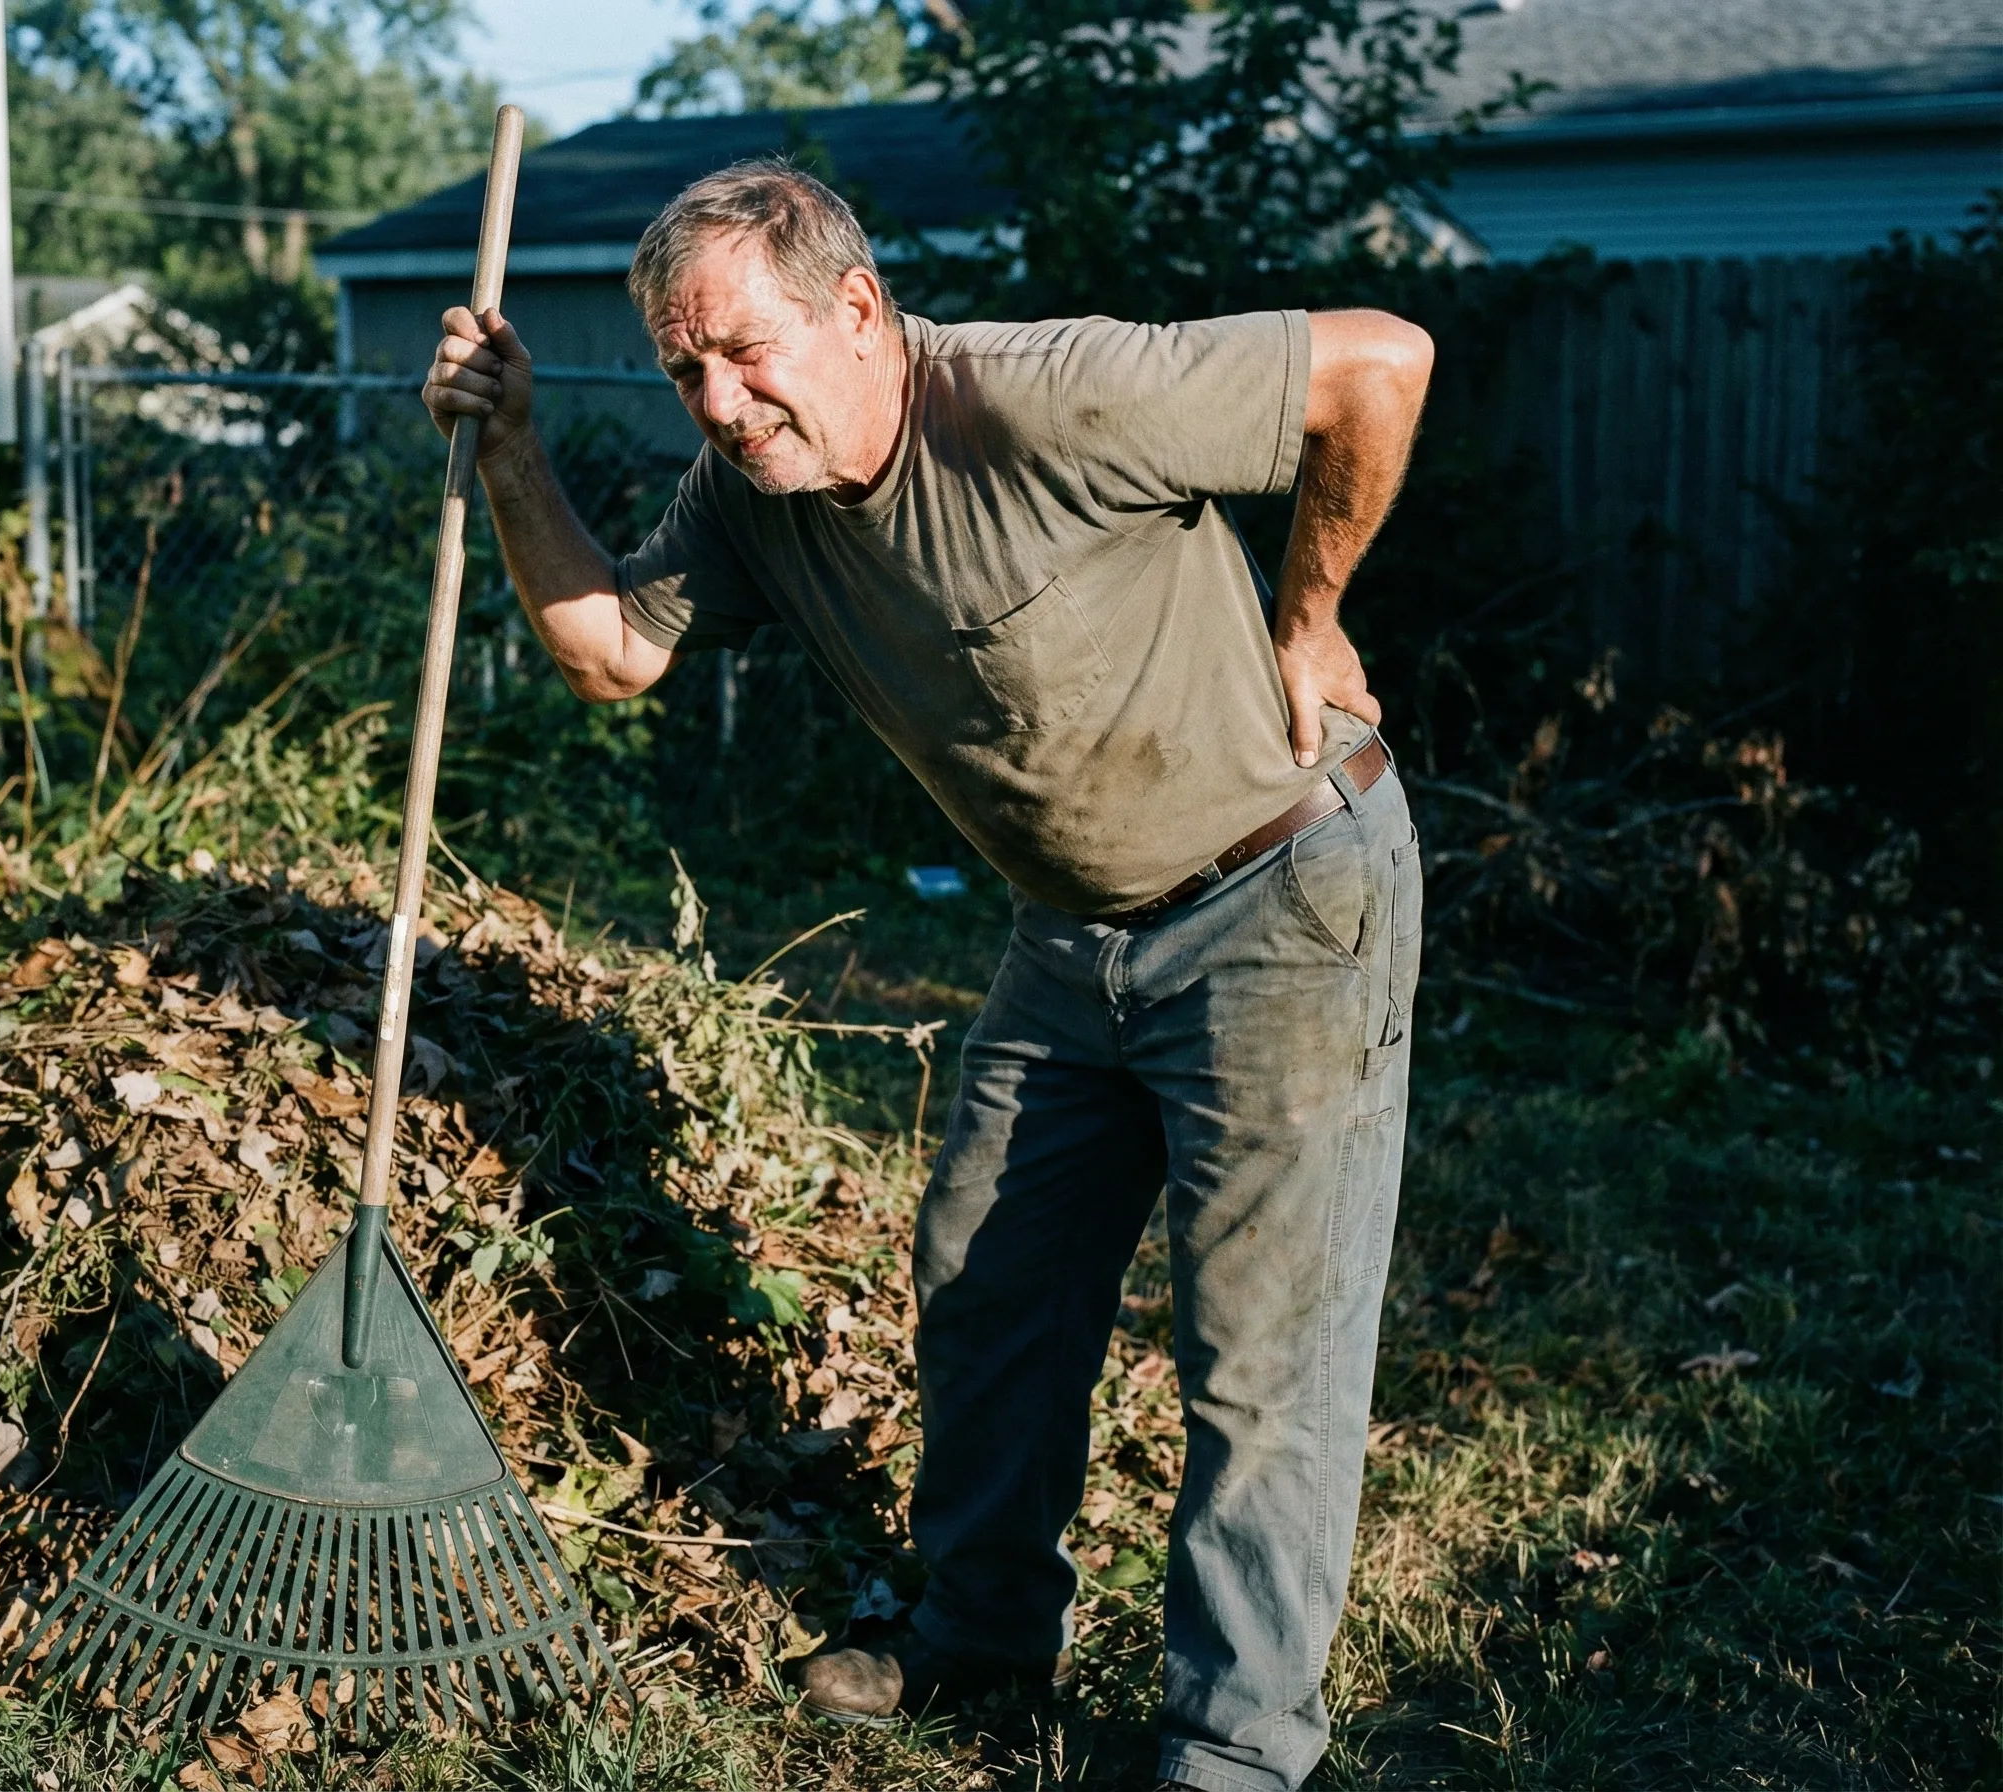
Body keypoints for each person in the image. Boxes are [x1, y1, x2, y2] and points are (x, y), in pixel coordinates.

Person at [422, 159, 1429, 1792]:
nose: (725, 403)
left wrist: (1310, 613)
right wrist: (516, 444)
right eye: (688, 368)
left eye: (747, 351)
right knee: (986, 1287)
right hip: (1070, 933)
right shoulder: (750, 494)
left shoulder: (1042, 398)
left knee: (1264, 1354)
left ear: (858, 308)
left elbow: (1382, 361)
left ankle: (1237, 1747)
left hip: (1280, 894)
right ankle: (981, 1648)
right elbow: (610, 652)